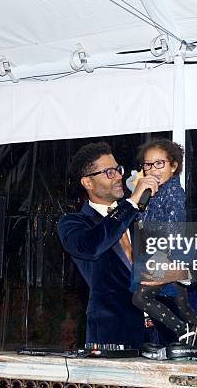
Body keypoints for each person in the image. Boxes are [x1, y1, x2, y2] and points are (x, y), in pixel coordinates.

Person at [57, 142, 167, 349]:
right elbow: (93, 246)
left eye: (118, 170)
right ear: (87, 182)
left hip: (158, 335)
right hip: (113, 336)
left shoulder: (138, 217)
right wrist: (132, 203)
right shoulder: (73, 224)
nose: (118, 176)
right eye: (109, 172)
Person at [130, 139, 197, 360]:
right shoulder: (154, 192)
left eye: (159, 164)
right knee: (184, 305)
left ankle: (183, 331)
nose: (152, 170)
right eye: (148, 165)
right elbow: (142, 220)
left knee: (141, 297)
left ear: (174, 166)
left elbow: (173, 226)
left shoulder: (172, 192)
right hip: (162, 249)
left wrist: (164, 258)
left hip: (171, 249)